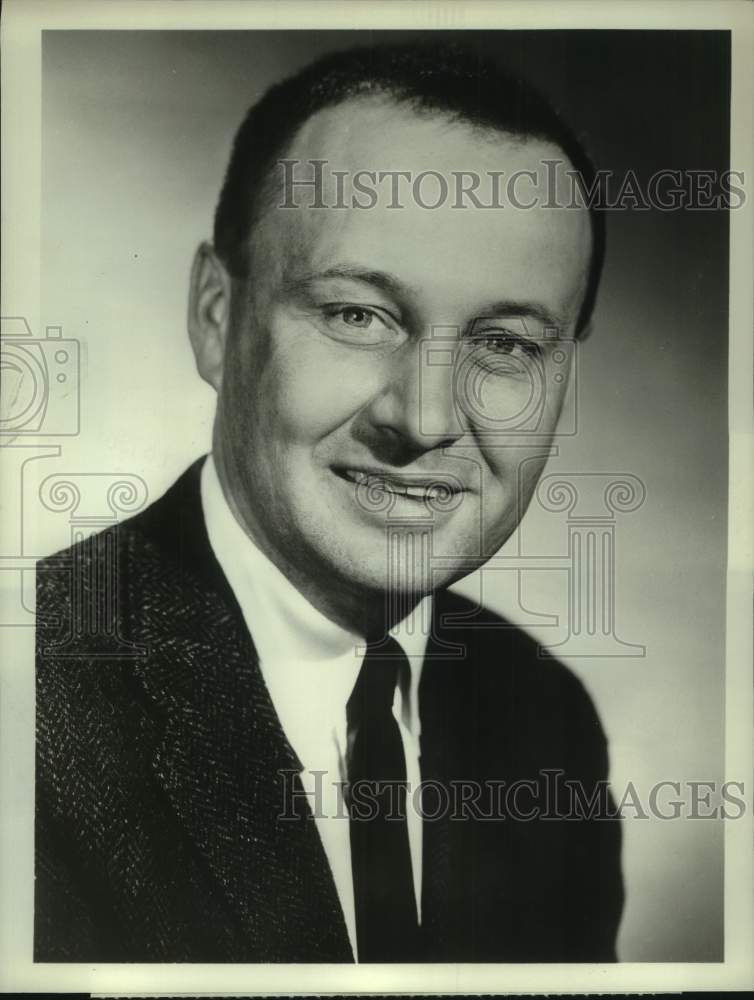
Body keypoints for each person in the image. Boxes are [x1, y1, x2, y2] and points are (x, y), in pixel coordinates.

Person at [34, 41, 623, 963]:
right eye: (359, 315)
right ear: (217, 319)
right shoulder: (30, 698)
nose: (425, 417)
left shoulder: (544, 721)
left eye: (505, 344)